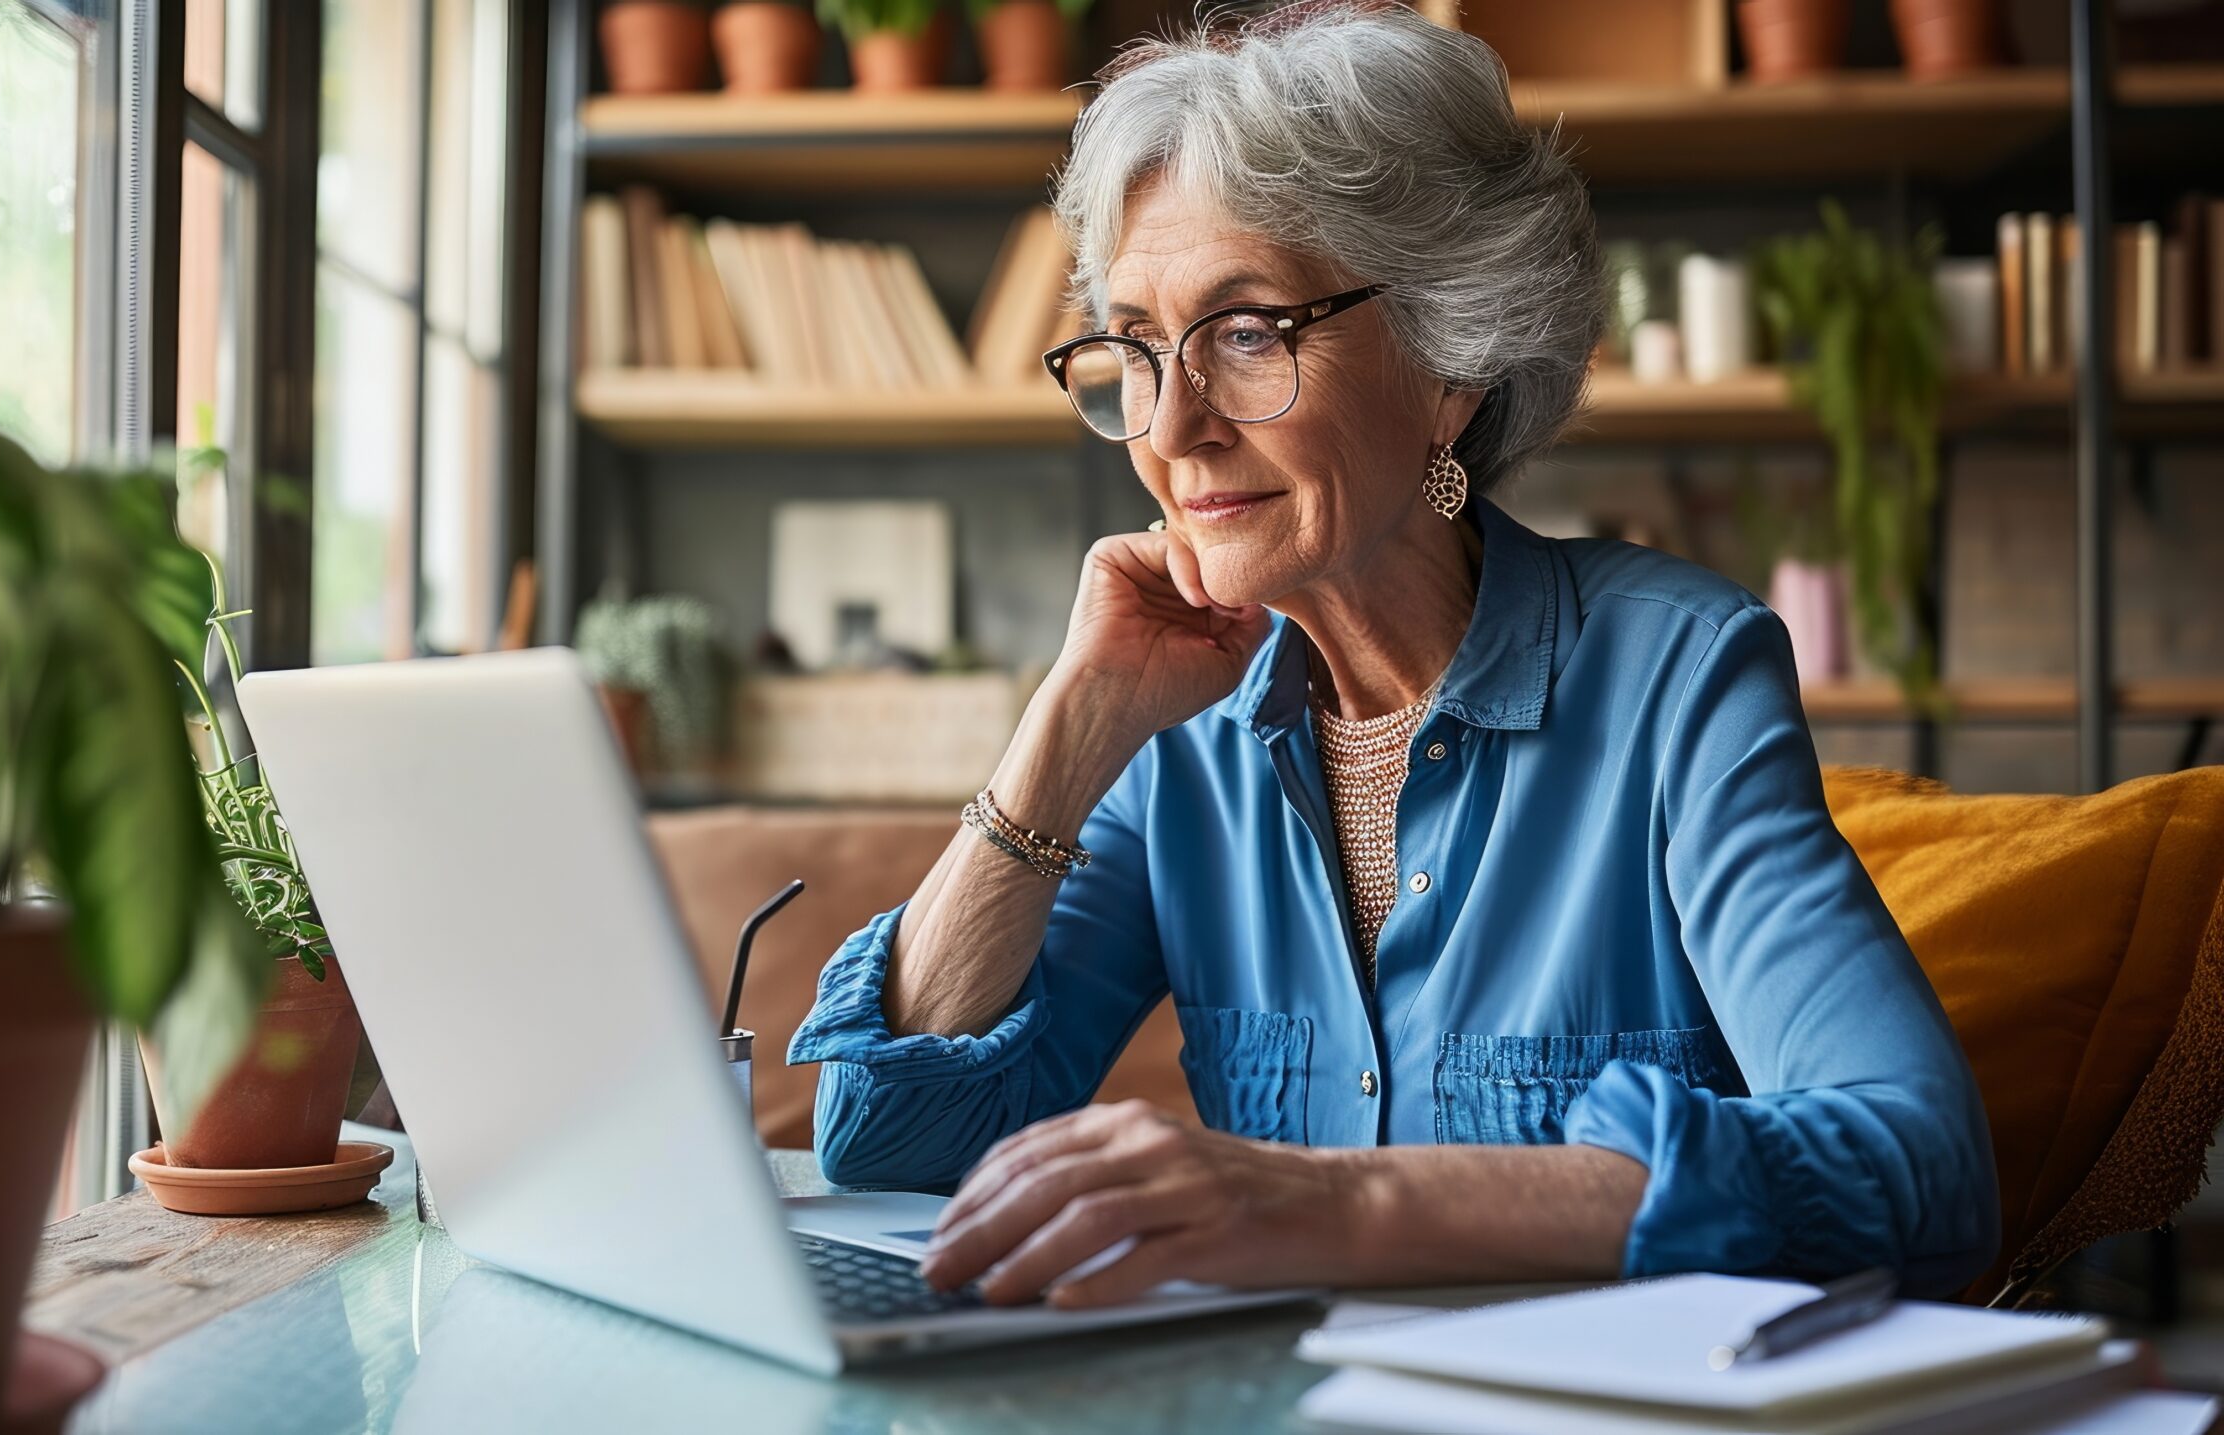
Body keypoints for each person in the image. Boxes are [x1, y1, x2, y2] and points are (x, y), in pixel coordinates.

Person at [786, 0, 1998, 1310]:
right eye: (1135, 346)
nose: (1174, 423)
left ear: (1449, 359)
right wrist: (1070, 726)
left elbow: (1918, 1168)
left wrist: (1332, 1204)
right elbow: (885, 1142)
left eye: (1246, 332)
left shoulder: (1678, 677)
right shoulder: (1175, 736)